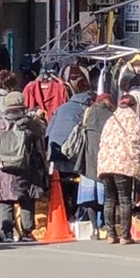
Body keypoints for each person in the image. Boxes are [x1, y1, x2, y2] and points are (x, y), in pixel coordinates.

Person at [0, 92, 49, 242]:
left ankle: (7, 233)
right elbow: (41, 133)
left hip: (3, 168)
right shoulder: (28, 122)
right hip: (24, 167)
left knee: (5, 199)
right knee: (26, 199)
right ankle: (27, 232)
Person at [96, 94, 140, 244]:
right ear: (133, 105)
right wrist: (138, 162)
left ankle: (111, 235)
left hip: (105, 164)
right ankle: (125, 236)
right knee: (124, 199)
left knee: (109, 199)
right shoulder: (133, 118)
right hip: (123, 164)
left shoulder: (110, 119)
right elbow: (135, 142)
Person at [46, 87, 93, 219]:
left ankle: (64, 213)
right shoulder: (85, 110)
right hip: (73, 151)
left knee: (60, 182)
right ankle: (76, 213)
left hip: (55, 148)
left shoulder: (62, 107)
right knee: (76, 181)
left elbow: (49, 130)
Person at [74, 93, 114, 237]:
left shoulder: (88, 113)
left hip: (87, 159)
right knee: (107, 198)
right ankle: (106, 227)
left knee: (90, 198)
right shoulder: (111, 116)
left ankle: (94, 229)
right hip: (105, 160)